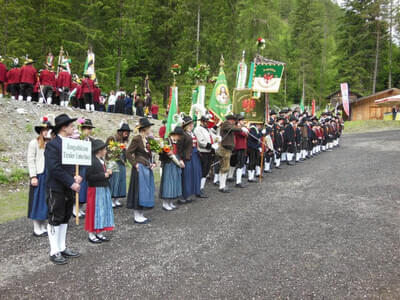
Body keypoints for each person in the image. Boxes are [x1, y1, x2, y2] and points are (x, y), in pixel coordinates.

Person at [45, 113, 81, 265]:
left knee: (65, 217)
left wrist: (78, 177)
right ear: (64, 128)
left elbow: (77, 164)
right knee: (55, 217)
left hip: (68, 186)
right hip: (56, 187)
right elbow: (54, 168)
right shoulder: (52, 145)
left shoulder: (71, 144)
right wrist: (70, 182)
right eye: (71, 126)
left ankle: (62, 247)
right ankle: (54, 251)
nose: (73, 128)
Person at [126, 118, 156, 224]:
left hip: (147, 167)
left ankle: (141, 214)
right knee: (138, 190)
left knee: (145, 190)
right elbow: (128, 153)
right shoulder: (137, 139)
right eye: (149, 127)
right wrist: (135, 164)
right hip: (139, 168)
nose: (150, 129)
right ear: (144, 129)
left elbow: (150, 154)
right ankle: (136, 215)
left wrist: (153, 162)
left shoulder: (148, 139)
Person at [27, 117, 53, 237]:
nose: (46, 131)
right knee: (37, 201)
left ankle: (42, 225)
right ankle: (36, 227)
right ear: (41, 131)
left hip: (49, 175)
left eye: (48, 129)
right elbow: (31, 160)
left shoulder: (51, 144)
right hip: (39, 174)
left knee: (46, 201)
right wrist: (33, 176)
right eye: (44, 129)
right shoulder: (34, 143)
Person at [85, 139, 114, 244]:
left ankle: (99, 231)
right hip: (95, 189)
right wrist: (103, 175)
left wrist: (109, 173)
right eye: (104, 149)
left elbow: (105, 175)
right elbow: (88, 177)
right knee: (94, 210)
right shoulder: (92, 161)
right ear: (99, 150)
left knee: (102, 210)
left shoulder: (101, 161)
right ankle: (91, 233)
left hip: (103, 188)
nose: (106, 150)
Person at [178, 116, 204, 203]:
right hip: (187, 157)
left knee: (195, 174)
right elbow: (179, 148)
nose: (193, 125)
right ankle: (183, 196)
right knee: (186, 176)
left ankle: (189, 194)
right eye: (191, 123)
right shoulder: (183, 134)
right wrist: (181, 159)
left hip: (195, 156)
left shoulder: (191, 133)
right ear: (188, 125)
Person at [73, 119, 95, 218]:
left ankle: (80, 208)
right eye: (87, 128)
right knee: (80, 187)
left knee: (86, 188)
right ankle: (75, 208)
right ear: (82, 129)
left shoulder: (91, 140)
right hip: (80, 166)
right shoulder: (78, 139)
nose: (89, 130)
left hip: (88, 166)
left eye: (90, 128)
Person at [159, 126, 185, 211]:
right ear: (175, 134)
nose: (180, 137)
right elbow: (161, 153)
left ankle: (170, 202)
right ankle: (165, 203)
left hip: (176, 163)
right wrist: (166, 153)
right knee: (168, 182)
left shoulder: (177, 142)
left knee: (174, 182)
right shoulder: (166, 141)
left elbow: (179, 152)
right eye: (179, 135)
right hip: (168, 163)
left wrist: (180, 160)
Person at [215, 114, 243, 193]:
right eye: (234, 120)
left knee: (224, 167)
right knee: (225, 167)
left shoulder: (228, 125)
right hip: (224, 149)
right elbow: (233, 128)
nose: (234, 122)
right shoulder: (226, 124)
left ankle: (222, 185)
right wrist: (241, 128)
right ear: (231, 120)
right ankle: (222, 186)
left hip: (227, 149)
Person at [106, 123, 131, 208]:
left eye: (127, 131)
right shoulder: (113, 138)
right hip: (114, 162)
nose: (126, 133)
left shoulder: (124, 141)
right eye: (125, 131)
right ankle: (111, 200)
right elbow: (107, 149)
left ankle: (117, 200)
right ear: (120, 131)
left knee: (121, 181)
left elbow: (125, 152)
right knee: (114, 181)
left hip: (122, 163)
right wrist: (116, 151)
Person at [194, 115, 218, 194]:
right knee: (203, 170)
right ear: (202, 122)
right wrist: (210, 145)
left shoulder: (207, 129)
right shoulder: (198, 129)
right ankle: (198, 188)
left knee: (206, 169)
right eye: (206, 122)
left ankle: (201, 188)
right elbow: (201, 141)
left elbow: (212, 136)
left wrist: (218, 138)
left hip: (209, 151)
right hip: (202, 151)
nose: (208, 123)